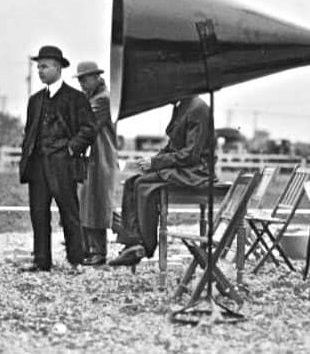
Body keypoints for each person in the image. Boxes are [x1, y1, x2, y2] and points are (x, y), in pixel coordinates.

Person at [109, 95, 213, 267]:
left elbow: (191, 154)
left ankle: (145, 246)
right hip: (183, 168)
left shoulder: (197, 108)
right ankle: (131, 242)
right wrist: (152, 161)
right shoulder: (182, 106)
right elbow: (171, 147)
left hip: (196, 171)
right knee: (130, 183)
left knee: (143, 185)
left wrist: (156, 163)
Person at [19, 46, 97, 272]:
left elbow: (90, 129)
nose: (40, 71)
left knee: (69, 213)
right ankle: (41, 261)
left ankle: (76, 261)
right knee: (38, 214)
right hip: (37, 167)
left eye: (44, 66)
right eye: (38, 67)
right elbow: (29, 131)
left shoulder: (76, 98)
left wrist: (71, 150)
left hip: (63, 165)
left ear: (57, 67)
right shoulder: (35, 100)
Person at [74, 61, 119, 266]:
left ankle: (99, 250)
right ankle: (87, 249)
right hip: (92, 159)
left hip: (101, 158)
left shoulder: (103, 100)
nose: (82, 83)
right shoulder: (93, 97)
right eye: (80, 80)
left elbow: (85, 123)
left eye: (85, 79)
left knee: (98, 204)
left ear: (96, 77)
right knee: (87, 203)